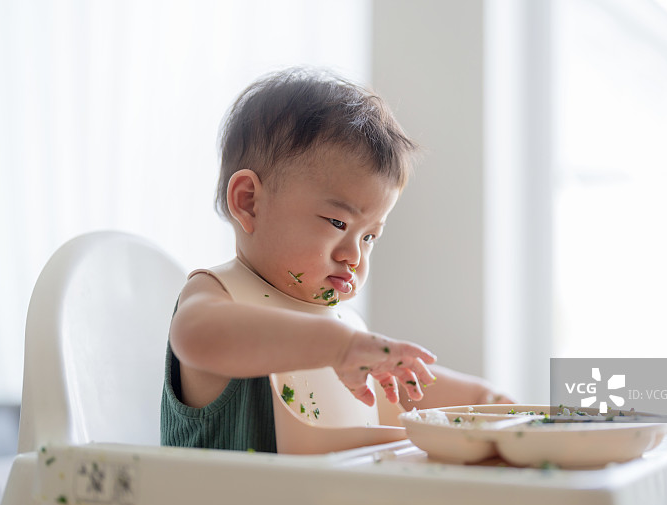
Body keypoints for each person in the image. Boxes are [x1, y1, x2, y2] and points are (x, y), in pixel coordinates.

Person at [161, 67, 511, 454]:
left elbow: (407, 389)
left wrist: (488, 400)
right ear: (249, 201)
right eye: (337, 222)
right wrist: (340, 348)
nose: (354, 255)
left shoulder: (343, 329)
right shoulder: (220, 295)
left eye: (369, 236)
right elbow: (194, 336)